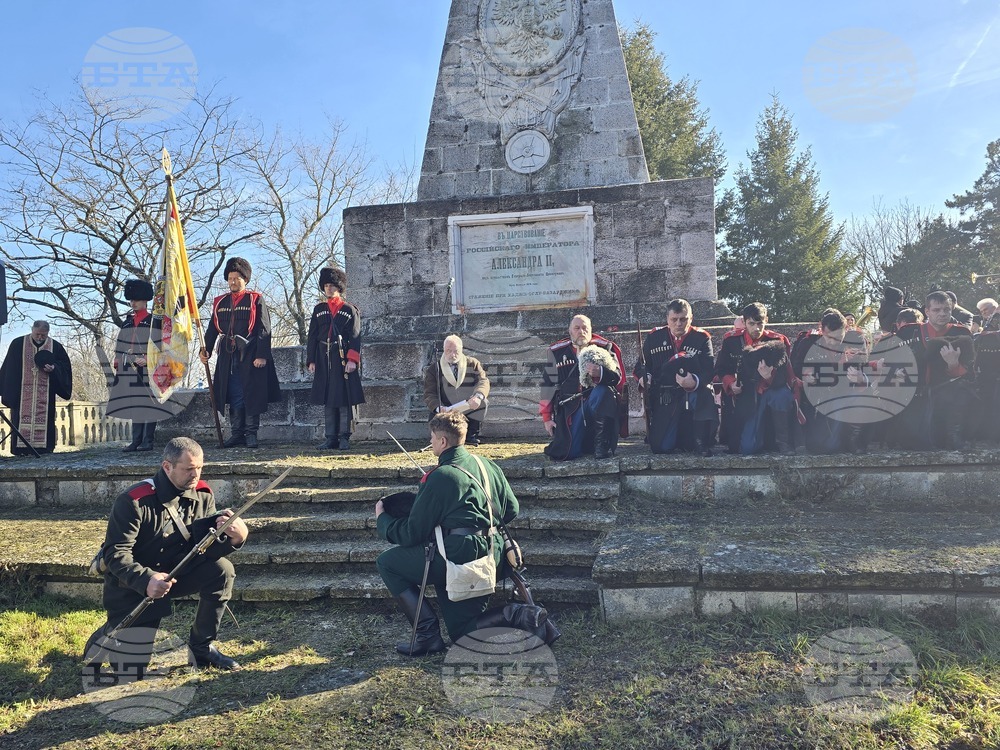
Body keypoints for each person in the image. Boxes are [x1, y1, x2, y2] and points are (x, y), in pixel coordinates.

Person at [375, 412, 547, 656]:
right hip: (494, 552)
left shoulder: (440, 477)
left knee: (387, 563)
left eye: (432, 438)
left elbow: (411, 533)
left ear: (442, 442)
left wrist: (383, 519)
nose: (431, 442)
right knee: (463, 636)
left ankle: (429, 635)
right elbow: (511, 509)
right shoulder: (487, 465)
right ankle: (519, 614)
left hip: (458, 556)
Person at [83, 437, 248, 674]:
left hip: (177, 574)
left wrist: (235, 539)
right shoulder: (134, 501)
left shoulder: (202, 494)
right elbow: (115, 553)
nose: (196, 475)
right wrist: (147, 580)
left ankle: (202, 648)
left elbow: (205, 547)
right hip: (135, 586)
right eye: (189, 469)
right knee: (130, 670)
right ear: (167, 467)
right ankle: (108, 631)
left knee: (222, 570)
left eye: (200, 467)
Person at [200, 257, 280, 448]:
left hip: (251, 353)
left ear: (245, 279)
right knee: (234, 391)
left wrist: (261, 355)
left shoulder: (255, 299)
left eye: (237, 278)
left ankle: (251, 433)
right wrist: (206, 350)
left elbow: (264, 329)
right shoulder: (220, 302)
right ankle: (237, 433)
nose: (233, 282)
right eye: (230, 278)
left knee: (250, 392)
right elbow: (212, 329)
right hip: (228, 354)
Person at [894, 290, 976, 449]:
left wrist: (953, 364)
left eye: (947, 309)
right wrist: (896, 372)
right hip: (914, 395)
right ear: (927, 311)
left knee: (961, 393)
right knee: (911, 443)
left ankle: (953, 435)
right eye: (937, 310)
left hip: (947, 398)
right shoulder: (908, 332)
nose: (942, 314)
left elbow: (970, 375)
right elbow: (892, 360)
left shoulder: (962, 334)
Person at [635, 299, 716, 455]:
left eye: (683, 319)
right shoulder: (655, 337)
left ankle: (700, 443)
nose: (679, 323)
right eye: (674, 319)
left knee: (704, 393)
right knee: (661, 448)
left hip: (692, 393)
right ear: (668, 319)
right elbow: (641, 366)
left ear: (690, 319)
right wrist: (645, 377)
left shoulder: (702, 338)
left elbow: (708, 370)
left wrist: (694, 382)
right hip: (665, 395)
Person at [714, 303, 798, 455]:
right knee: (748, 448)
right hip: (746, 394)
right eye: (751, 324)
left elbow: (786, 373)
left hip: (771, 390)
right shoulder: (731, 341)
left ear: (766, 320)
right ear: (744, 322)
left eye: (760, 323)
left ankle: (783, 442)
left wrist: (769, 377)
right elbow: (722, 368)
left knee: (782, 395)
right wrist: (730, 383)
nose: (756, 328)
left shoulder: (778, 341)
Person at [540, 314, 627, 460]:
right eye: (577, 328)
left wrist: (600, 372)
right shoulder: (556, 352)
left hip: (596, 405)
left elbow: (617, 377)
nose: (581, 331)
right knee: (570, 452)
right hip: (571, 410)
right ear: (570, 331)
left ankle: (601, 446)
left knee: (603, 391)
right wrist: (547, 418)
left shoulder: (605, 347)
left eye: (585, 328)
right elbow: (547, 385)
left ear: (591, 330)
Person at [306, 267, 364, 450]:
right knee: (328, 398)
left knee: (343, 398)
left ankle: (344, 437)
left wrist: (352, 360)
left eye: (332, 285)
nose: (329, 289)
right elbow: (312, 336)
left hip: (342, 358)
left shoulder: (349, 310)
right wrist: (311, 360)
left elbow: (355, 336)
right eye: (326, 286)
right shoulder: (319, 309)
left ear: (339, 287)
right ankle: (330, 437)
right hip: (323, 358)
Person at [0, 320, 72, 455]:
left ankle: (43, 448)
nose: (40, 337)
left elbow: (65, 367)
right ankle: (21, 449)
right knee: (19, 419)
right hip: (21, 395)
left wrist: (54, 369)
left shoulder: (55, 346)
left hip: (45, 394)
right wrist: (8, 392)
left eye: (43, 335)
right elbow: (9, 368)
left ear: (48, 333)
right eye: (38, 334)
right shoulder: (17, 344)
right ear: (32, 329)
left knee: (46, 420)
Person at [109, 279, 158, 452]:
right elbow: (120, 343)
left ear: (145, 300)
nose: (133, 303)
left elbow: (160, 345)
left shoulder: (153, 321)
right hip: (129, 366)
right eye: (131, 300)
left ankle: (148, 441)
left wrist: (148, 358)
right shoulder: (127, 322)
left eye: (136, 299)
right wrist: (118, 359)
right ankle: (136, 440)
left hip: (148, 367)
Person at [423, 335, 490, 447]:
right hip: (445, 406)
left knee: (482, 402)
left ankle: (470, 436)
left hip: (467, 404)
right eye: (448, 351)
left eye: (456, 351)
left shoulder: (472, 364)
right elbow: (429, 393)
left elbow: (483, 381)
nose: (452, 355)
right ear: (444, 350)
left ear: (461, 350)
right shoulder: (434, 369)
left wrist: (478, 396)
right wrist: (439, 407)